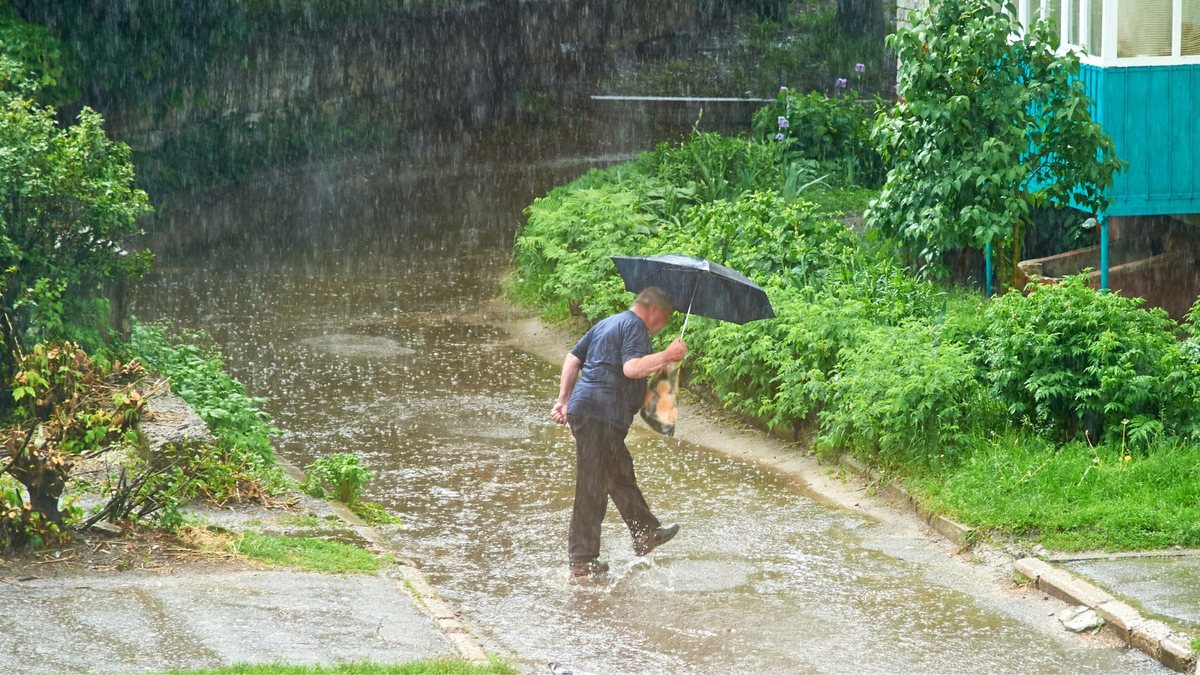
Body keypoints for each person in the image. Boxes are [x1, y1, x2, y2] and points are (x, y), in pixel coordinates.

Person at [551, 287, 688, 578]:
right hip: (599, 414)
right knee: (592, 485)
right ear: (653, 310)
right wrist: (667, 353)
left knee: (620, 473)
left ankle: (645, 533)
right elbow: (631, 368)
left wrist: (563, 399)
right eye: (664, 318)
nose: (662, 325)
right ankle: (582, 560)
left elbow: (572, 359)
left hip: (594, 413)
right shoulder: (635, 327)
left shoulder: (607, 323)